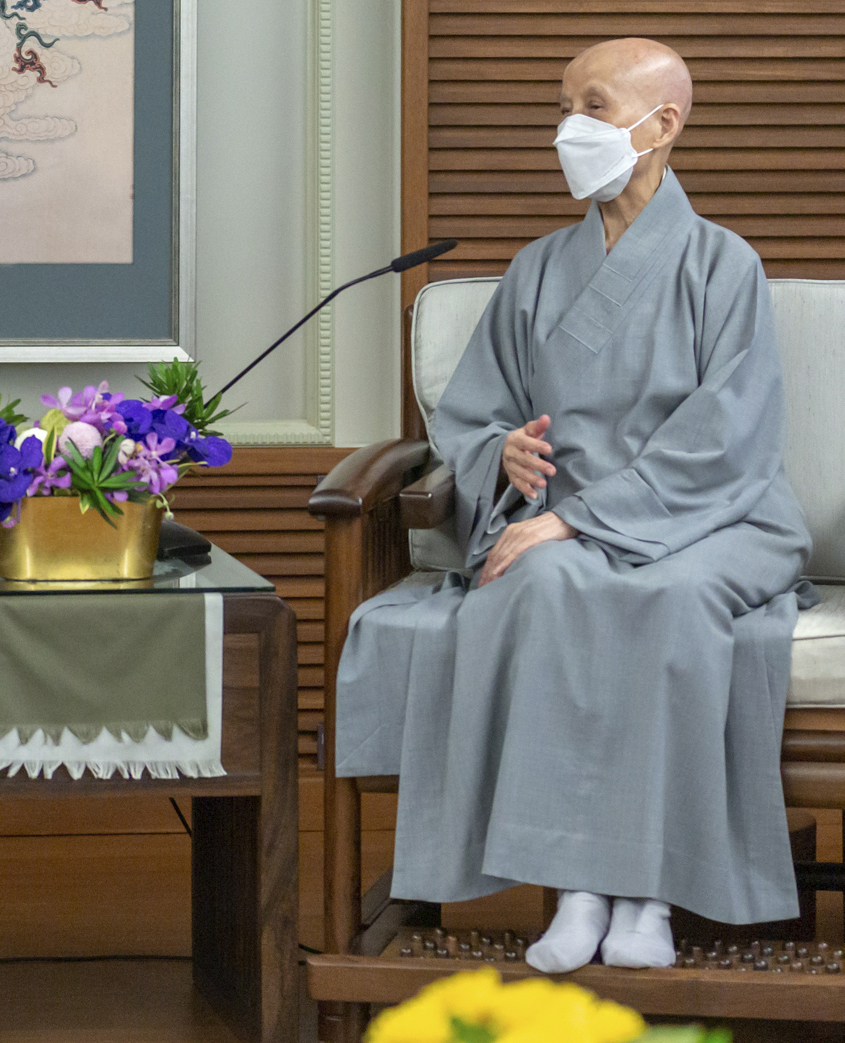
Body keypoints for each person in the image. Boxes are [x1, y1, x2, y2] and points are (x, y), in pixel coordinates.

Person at [334, 37, 810, 974]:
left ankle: (646, 895)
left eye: (590, 105)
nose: (568, 129)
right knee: (536, 586)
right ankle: (579, 885)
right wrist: (497, 451)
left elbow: (727, 437)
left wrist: (575, 519)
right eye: (564, 106)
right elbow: (475, 414)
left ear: (660, 123)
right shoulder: (539, 267)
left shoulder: (722, 265)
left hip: (713, 518)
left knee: (669, 603)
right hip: (567, 515)